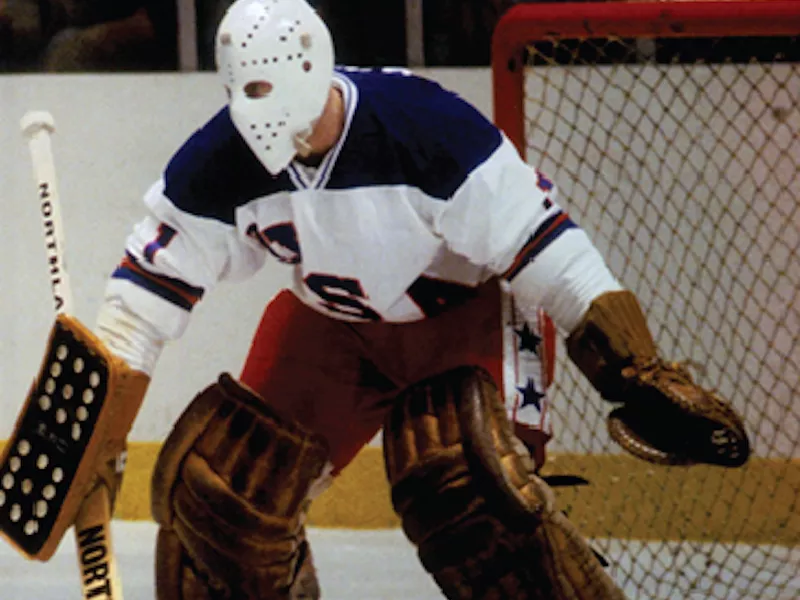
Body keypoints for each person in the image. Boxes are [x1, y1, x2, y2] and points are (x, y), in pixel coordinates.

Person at [50, 0, 748, 597]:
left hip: (462, 318)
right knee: (225, 498)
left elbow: (546, 250)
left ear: (313, 70)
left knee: (475, 497)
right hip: (332, 331)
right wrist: (95, 429)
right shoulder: (220, 157)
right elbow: (144, 297)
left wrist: (632, 368)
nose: (268, 131)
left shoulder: (424, 126)